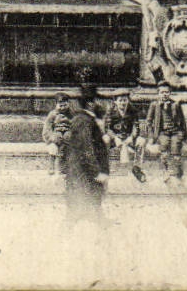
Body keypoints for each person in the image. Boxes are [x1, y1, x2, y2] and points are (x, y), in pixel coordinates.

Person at [61, 86, 110, 221]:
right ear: (90, 103)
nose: (101, 104)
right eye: (98, 101)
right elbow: (87, 149)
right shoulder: (83, 121)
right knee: (79, 211)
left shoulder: (85, 119)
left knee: (89, 209)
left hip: (83, 175)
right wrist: (97, 172)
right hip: (84, 175)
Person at [142, 83, 187, 182]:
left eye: (167, 92)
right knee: (164, 151)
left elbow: (182, 121)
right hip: (163, 132)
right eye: (162, 92)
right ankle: (165, 171)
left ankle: (178, 171)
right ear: (158, 93)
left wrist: (184, 136)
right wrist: (151, 136)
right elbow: (148, 122)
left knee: (176, 152)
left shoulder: (175, 104)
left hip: (175, 132)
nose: (164, 94)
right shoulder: (154, 105)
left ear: (170, 93)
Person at [103, 92, 147, 181]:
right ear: (115, 101)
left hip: (128, 137)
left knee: (141, 141)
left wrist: (131, 137)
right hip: (115, 138)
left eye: (125, 100)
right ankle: (104, 168)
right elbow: (107, 128)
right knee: (105, 139)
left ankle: (137, 168)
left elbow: (136, 127)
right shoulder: (110, 112)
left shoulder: (133, 111)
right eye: (120, 100)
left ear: (128, 101)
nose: (122, 103)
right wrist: (115, 138)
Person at [42, 93, 73, 176]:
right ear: (56, 104)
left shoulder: (71, 114)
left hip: (67, 134)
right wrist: (51, 137)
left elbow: (75, 125)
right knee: (53, 148)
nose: (62, 108)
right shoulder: (53, 114)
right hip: (56, 135)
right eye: (60, 106)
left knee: (66, 148)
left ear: (68, 104)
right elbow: (47, 127)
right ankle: (51, 165)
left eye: (65, 105)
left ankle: (64, 168)